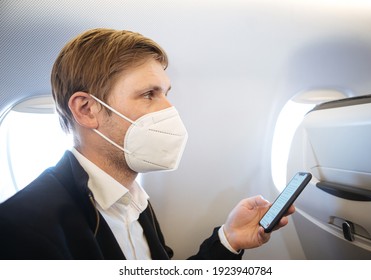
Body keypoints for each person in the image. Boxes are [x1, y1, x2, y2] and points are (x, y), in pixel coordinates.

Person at [0, 28, 294, 260]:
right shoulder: (23, 227)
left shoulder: (133, 200)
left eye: (166, 93)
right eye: (149, 94)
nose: (169, 110)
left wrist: (229, 239)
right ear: (87, 110)